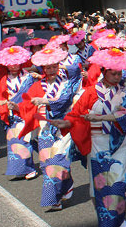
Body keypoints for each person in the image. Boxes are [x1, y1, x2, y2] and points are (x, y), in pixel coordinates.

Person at [62, 48, 126, 227]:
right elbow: (76, 114)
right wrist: (66, 123)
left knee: (117, 185)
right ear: (103, 71)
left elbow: (124, 115)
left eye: (120, 73)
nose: (117, 77)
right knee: (98, 189)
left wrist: (100, 117)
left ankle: (115, 223)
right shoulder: (90, 92)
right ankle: (114, 223)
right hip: (96, 143)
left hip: (118, 143)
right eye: (113, 73)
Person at [18, 46, 83, 211]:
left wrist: (45, 101)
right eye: (48, 68)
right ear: (43, 69)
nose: (52, 70)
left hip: (63, 127)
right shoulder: (37, 85)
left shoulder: (66, 83)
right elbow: (26, 103)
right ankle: (57, 195)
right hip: (45, 128)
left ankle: (61, 189)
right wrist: (15, 107)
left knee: (58, 161)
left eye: (54, 66)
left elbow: (64, 100)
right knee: (47, 164)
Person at [0, 44, 38, 179]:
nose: (13, 66)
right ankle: (19, 169)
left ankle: (29, 168)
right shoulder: (5, 79)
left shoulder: (28, 77)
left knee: (23, 141)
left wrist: (18, 106)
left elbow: (32, 96)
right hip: (11, 114)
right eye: (10, 64)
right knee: (13, 142)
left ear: (20, 62)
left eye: (16, 63)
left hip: (24, 113)